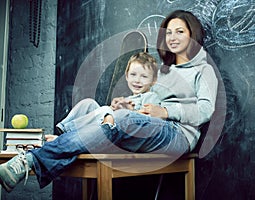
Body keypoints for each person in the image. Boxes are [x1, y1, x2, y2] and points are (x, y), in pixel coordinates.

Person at [0, 9, 218, 192]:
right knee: (90, 105)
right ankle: (61, 140)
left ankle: (29, 160)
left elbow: (206, 110)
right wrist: (128, 105)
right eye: (168, 31)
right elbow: (145, 102)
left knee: (119, 119)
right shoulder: (161, 72)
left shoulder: (203, 69)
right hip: (149, 129)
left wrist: (166, 112)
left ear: (192, 34)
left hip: (178, 134)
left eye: (180, 31)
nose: (172, 36)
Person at [53, 51, 161, 137]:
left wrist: (129, 111)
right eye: (133, 74)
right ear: (127, 76)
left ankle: (68, 133)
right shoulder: (127, 98)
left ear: (153, 80)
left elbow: (150, 120)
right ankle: (62, 128)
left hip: (123, 134)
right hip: (110, 126)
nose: (137, 80)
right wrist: (115, 108)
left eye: (144, 76)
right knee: (89, 103)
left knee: (105, 111)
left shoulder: (151, 97)